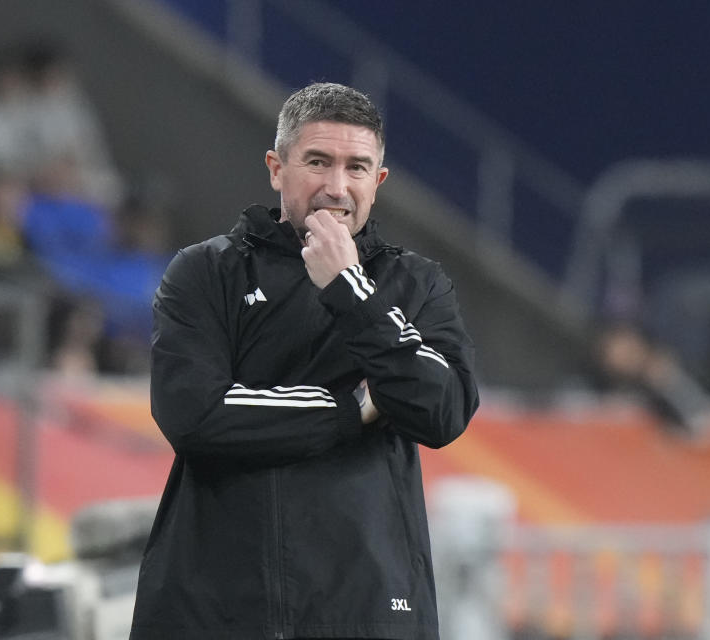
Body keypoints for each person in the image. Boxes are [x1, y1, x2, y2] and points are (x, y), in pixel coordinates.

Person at [130, 83, 479, 640]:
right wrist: (351, 409)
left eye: (357, 167)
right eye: (318, 161)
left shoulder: (416, 284)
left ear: (378, 181)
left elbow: (441, 411)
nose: (337, 187)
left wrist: (351, 290)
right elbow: (194, 416)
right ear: (276, 168)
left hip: (366, 608)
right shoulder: (204, 273)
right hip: (214, 610)